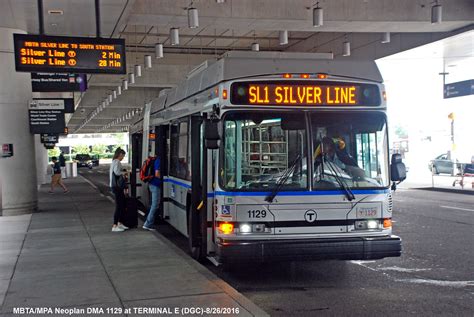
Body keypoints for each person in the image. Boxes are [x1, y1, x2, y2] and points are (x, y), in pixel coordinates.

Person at [110, 148, 129, 232]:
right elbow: (117, 172)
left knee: (122, 205)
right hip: (117, 187)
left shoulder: (114, 161)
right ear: (120, 155)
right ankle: (115, 226)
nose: (123, 158)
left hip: (115, 186)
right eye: (123, 156)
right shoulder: (117, 162)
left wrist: (123, 170)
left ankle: (120, 223)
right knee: (119, 206)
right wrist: (124, 173)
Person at [143, 155, 161, 231]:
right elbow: (157, 174)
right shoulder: (158, 160)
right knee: (155, 205)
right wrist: (163, 178)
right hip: (155, 185)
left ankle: (149, 222)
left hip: (152, 184)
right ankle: (148, 224)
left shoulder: (155, 159)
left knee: (153, 204)